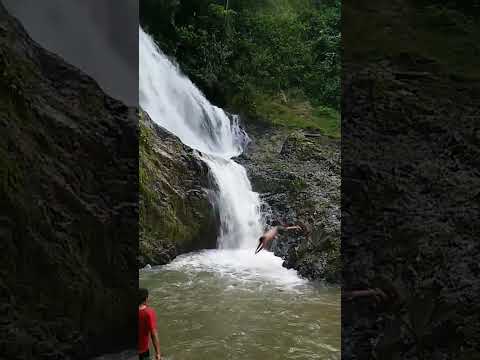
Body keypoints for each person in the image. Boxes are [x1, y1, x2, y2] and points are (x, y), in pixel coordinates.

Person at [138, 288, 162, 360]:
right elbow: (153, 334)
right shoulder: (148, 312)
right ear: (146, 298)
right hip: (143, 352)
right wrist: (158, 353)